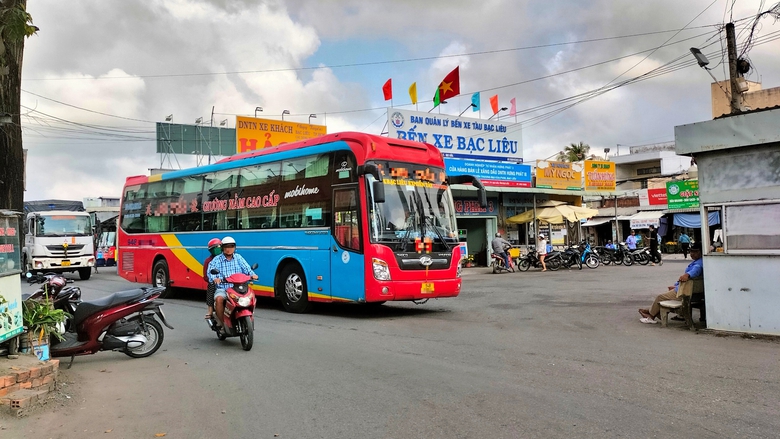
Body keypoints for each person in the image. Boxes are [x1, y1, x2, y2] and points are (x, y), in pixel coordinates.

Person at [638, 242, 703, 324]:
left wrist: (687, 275)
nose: (692, 254)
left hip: (685, 293)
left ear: (700, 252)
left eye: (695, 252)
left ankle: (651, 315)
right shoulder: (700, 262)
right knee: (666, 294)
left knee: (660, 297)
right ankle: (651, 311)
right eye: (691, 251)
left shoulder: (698, 264)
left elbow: (695, 271)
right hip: (689, 291)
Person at [207, 236, 258, 327]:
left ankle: (249, 317)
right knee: (219, 299)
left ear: (235, 247)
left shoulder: (238, 258)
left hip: (238, 287)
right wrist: (215, 278)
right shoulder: (217, 260)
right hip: (223, 288)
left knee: (251, 296)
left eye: (231, 246)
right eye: (226, 247)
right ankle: (222, 323)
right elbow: (210, 272)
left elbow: (247, 268)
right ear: (222, 248)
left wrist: (252, 274)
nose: (229, 249)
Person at [203, 238, 222, 319]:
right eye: (215, 248)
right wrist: (213, 280)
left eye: (219, 247)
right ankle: (210, 310)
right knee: (211, 288)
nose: (217, 249)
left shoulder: (226, 258)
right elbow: (206, 276)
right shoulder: (208, 261)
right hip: (214, 282)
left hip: (227, 282)